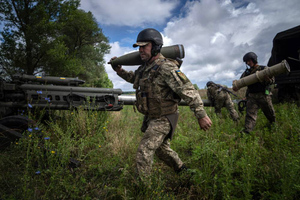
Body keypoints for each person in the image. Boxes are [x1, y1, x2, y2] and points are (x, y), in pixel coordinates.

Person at [109, 28, 212, 181]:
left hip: (164, 117)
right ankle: (184, 172)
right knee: (161, 150)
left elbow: (188, 90)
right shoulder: (145, 68)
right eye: (139, 47)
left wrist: (201, 115)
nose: (141, 50)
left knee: (144, 150)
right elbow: (134, 78)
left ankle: (144, 189)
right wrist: (119, 70)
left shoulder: (166, 67)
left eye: (144, 46)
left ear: (156, 46)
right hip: (152, 116)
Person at [234, 52, 275, 134]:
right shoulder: (247, 73)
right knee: (250, 115)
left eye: (249, 61)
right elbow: (240, 82)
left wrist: (269, 80)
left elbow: (273, 80)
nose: (247, 63)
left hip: (264, 95)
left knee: (270, 113)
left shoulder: (264, 69)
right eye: (246, 62)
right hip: (252, 96)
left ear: (254, 59)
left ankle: (273, 126)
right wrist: (236, 86)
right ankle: (247, 131)